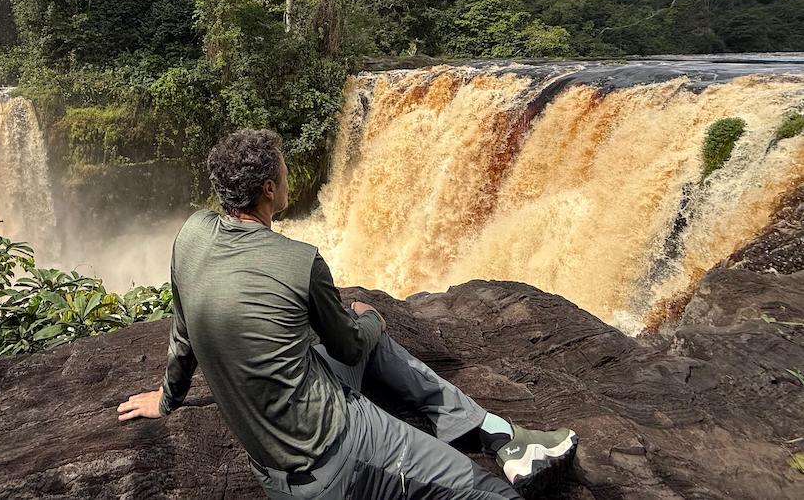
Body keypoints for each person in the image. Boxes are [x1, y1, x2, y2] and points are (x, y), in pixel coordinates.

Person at [118, 128, 578, 498]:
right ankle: (494, 443)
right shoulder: (300, 260)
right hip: (336, 453)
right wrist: (371, 319)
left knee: (371, 345)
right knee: (483, 491)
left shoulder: (191, 233)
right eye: (283, 169)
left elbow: (183, 335)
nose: (288, 176)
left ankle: (496, 433)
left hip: (270, 461)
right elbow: (349, 344)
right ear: (269, 188)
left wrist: (166, 399)